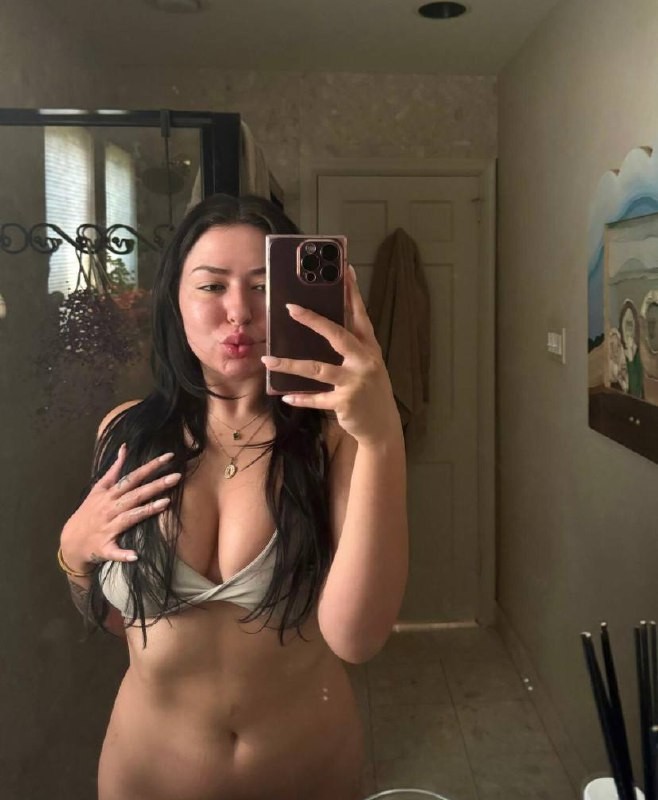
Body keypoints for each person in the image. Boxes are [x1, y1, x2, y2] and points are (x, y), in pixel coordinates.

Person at [57, 193, 408, 800]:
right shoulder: (127, 433)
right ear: (176, 301)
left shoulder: (335, 439)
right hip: (142, 777)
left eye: (263, 286)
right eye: (212, 286)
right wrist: (73, 554)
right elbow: (120, 622)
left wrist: (381, 437)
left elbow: (357, 639)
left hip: (307, 778)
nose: (239, 311)